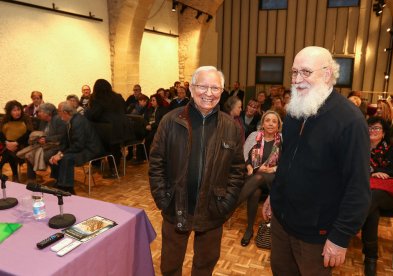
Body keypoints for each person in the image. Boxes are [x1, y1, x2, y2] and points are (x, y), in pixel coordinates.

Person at [261, 46, 371, 275]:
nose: (297, 80)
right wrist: (274, 196)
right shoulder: (294, 110)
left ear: (327, 74)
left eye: (305, 72)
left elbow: (358, 187)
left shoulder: (350, 121)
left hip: (316, 235)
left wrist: (340, 237)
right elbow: (286, 163)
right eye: (294, 72)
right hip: (282, 222)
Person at [149, 66, 245, 275]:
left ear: (222, 91)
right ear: (191, 88)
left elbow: (237, 170)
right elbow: (156, 162)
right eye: (203, 86)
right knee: (170, 265)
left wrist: (226, 203)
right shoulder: (170, 121)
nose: (209, 93)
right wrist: (163, 198)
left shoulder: (231, 127)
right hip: (175, 204)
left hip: (213, 209)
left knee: (205, 265)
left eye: (215, 88)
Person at [362, 116, 393, 275]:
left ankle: (348, 226)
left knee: (373, 197)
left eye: (376, 128)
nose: (372, 131)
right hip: (368, 197)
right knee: (372, 213)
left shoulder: (391, 148)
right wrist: (374, 173)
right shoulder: (360, 147)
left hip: (389, 196)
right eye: (369, 127)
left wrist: (383, 172)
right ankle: (370, 259)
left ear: (383, 133)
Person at [238, 111, 282, 247]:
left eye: (274, 121)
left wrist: (273, 169)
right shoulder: (253, 136)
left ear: (278, 125)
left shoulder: (282, 139)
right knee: (255, 191)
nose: (270, 123)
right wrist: (250, 167)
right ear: (262, 123)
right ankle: (249, 229)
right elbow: (244, 154)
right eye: (267, 120)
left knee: (258, 177)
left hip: (273, 178)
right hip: (253, 175)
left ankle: (230, 206)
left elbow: (287, 161)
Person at [49, 101, 104, 194]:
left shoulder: (78, 121)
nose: (58, 113)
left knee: (66, 158)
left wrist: (62, 155)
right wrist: (59, 153)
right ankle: (59, 181)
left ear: (65, 113)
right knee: (53, 155)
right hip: (80, 147)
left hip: (90, 149)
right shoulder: (70, 120)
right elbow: (65, 141)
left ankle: (67, 188)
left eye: (59, 111)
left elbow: (79, 145)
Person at [85, 79, 132, 177]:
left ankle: (96, 164)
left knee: (94, 139)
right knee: (114, 147)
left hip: (107, 130)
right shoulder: (118, 97)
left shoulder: (98, 99)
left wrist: (87, 111)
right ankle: (114, 168)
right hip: (122, 128)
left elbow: (94, 115)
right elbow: (125, 109)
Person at [25, 103, 66, 182]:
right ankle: (31, 179)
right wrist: (40, 139)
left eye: (40, 112)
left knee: (47, 156)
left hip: (57, 146)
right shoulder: (43, 121)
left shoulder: (58, 120)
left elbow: (62, 136)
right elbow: (41, 133)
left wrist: (47, 139)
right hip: (45, 145)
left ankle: (57, 179)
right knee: (28, 155)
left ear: (48, 113)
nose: (38, 113)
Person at [0, 100, 32, 182]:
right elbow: (1, 133)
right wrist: (6, 143)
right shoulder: (5, 119)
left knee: (9, 153)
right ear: (9, 111)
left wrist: (16, 142)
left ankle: (14, 174)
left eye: (19, 110)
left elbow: (28, 133)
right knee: (9, 152)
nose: (17, 112)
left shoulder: (25, 118)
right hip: (7, 145)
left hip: (23, 145)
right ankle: (15, 175)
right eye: (14, 110)